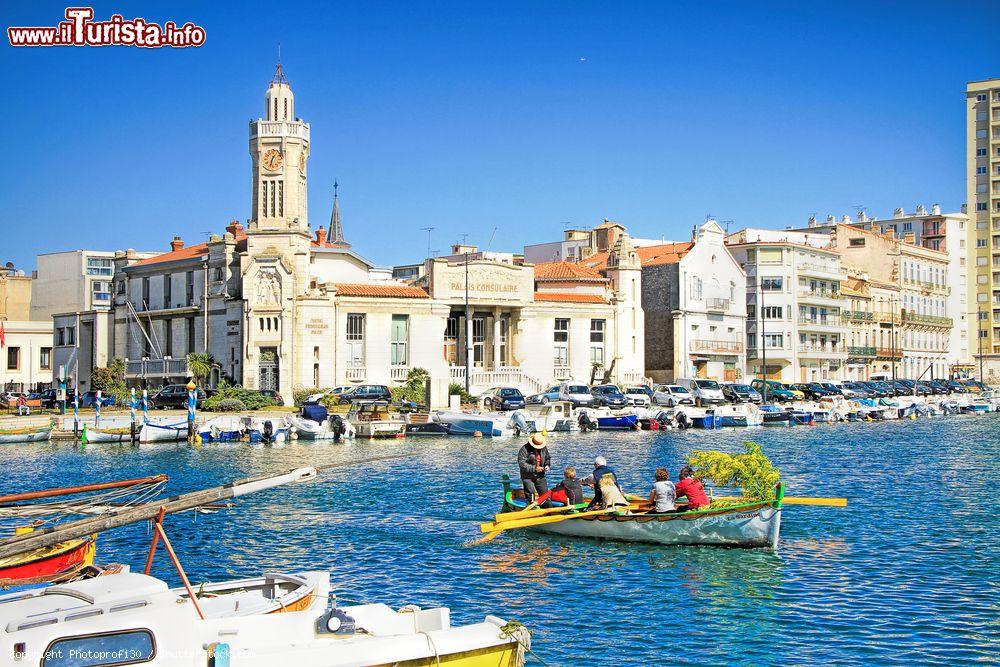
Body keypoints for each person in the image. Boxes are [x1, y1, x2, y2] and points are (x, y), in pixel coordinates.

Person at [517, 432, 551, 503]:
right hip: (528, 477)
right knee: (531, 497)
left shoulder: (543, 448)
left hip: (540, 476)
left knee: (546, 497)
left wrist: (547, 465)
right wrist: (535, 468)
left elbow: (547, 458)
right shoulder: (524, 449)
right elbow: (522, 464)